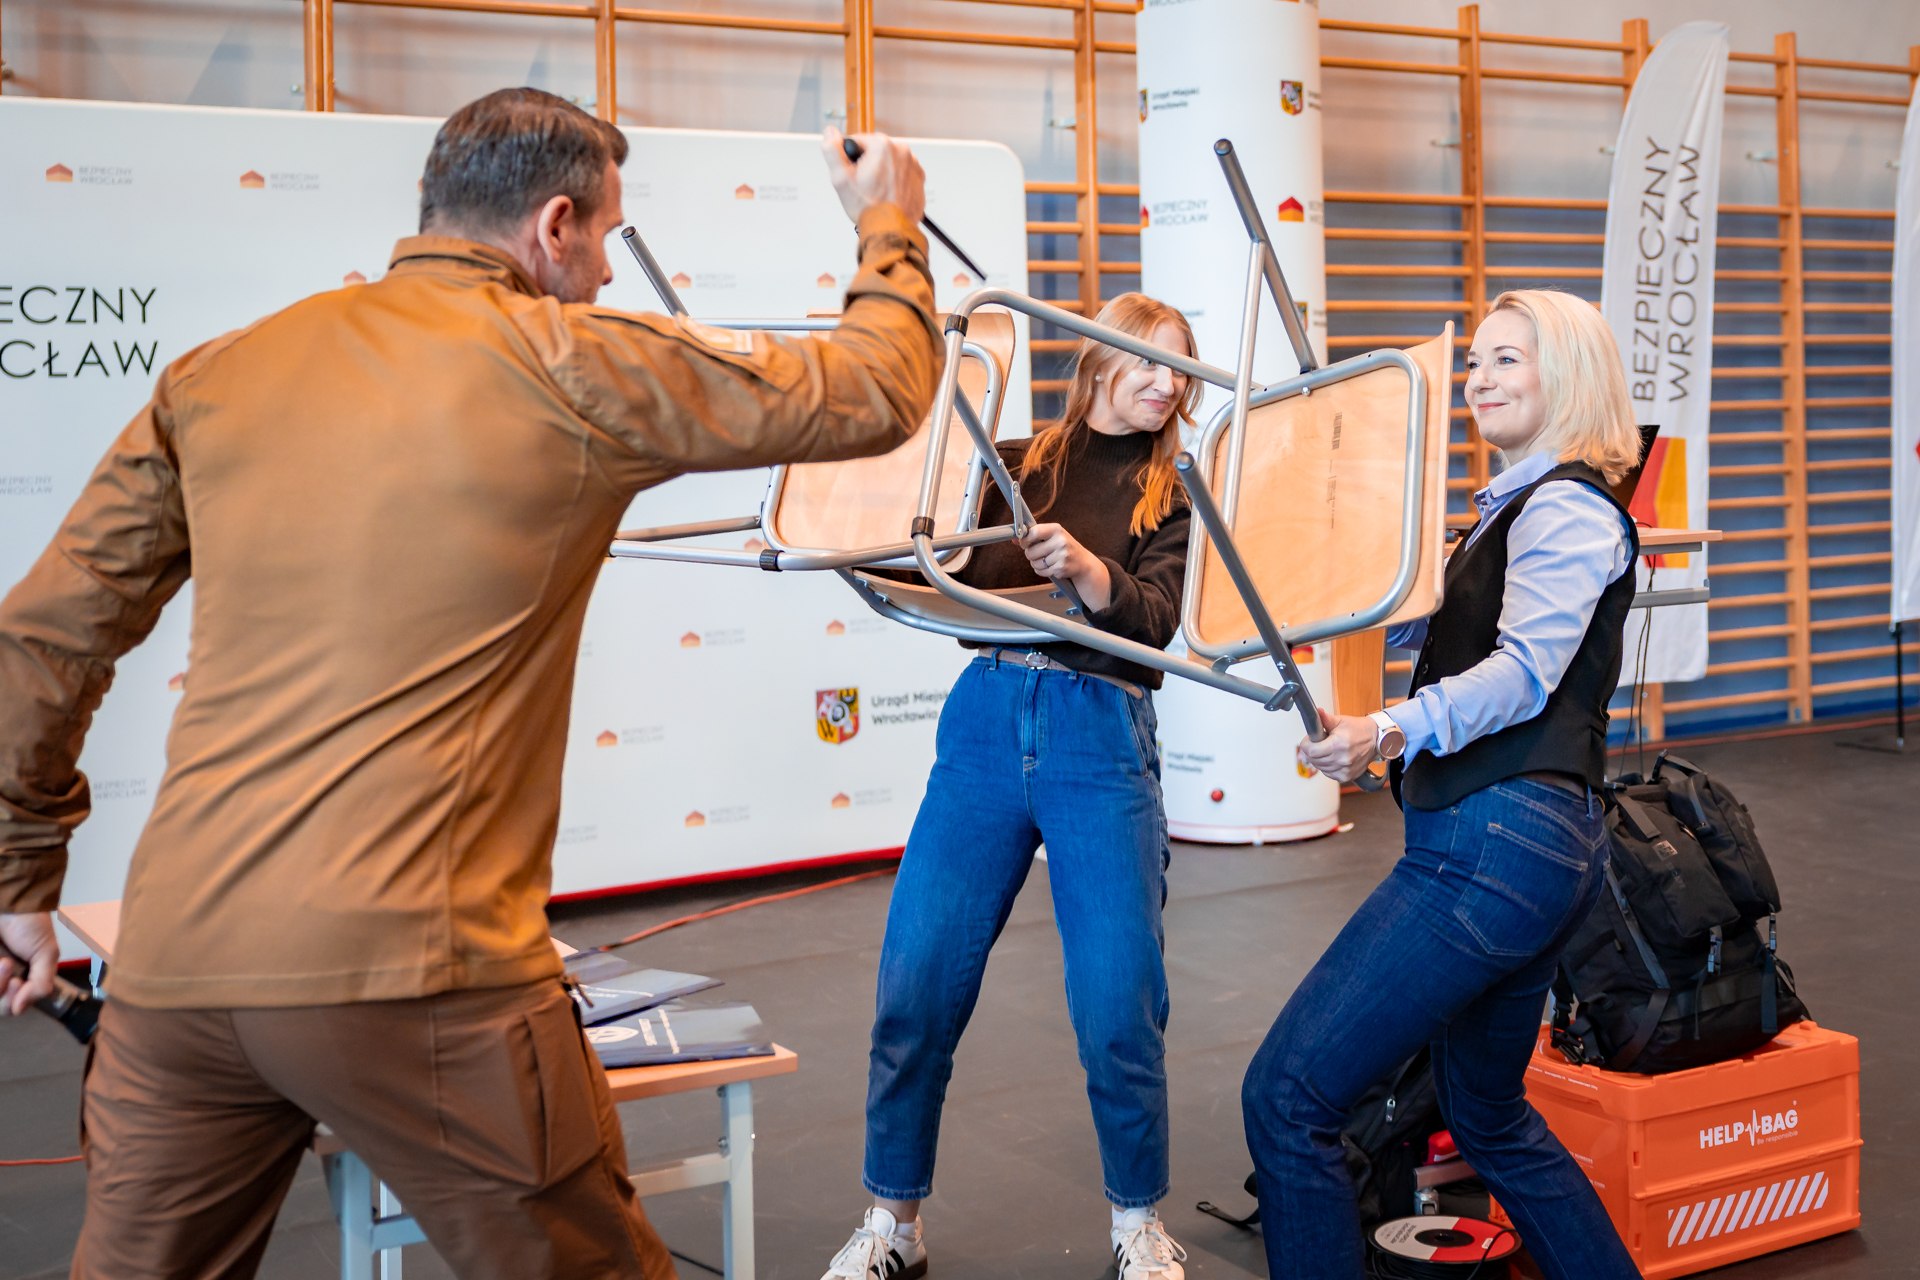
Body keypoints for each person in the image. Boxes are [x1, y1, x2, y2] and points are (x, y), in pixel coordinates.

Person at [0, 87, 941, 1280]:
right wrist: (888, 222)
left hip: (176, 968)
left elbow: (45, 635)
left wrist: (18, 876)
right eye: (604, 236)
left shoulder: (219, 371)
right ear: (555, 226)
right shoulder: (572, 358)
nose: (605, 271)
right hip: (422, 972)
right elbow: (874, 388)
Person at [1240, 288, 1646, 1280]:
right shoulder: (1509, 509)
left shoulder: (1565, 506)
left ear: (1570, 377)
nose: (1479, 379)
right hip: (1523, 849)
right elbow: (1438, 635)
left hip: (1494, 847)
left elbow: (1522, 675)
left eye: (1509, 359)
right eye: (1474, 362)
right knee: (1488, 1114)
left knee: (1288, 1099)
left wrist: (1385, 729)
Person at [819, 293, 1202, 1280]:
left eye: (1179, 368)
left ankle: (1138, 1224)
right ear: (1100, 361)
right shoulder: (1016, 461)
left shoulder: (1174, 490)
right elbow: (942, 570)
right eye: (1147, 360)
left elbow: (1157, 618)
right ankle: (892, 1222)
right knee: (915, 984)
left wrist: (1089, 570)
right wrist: (850, 541)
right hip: (986, 719)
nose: (1165, 383)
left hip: (1099, 731)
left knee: (1119, 1002)